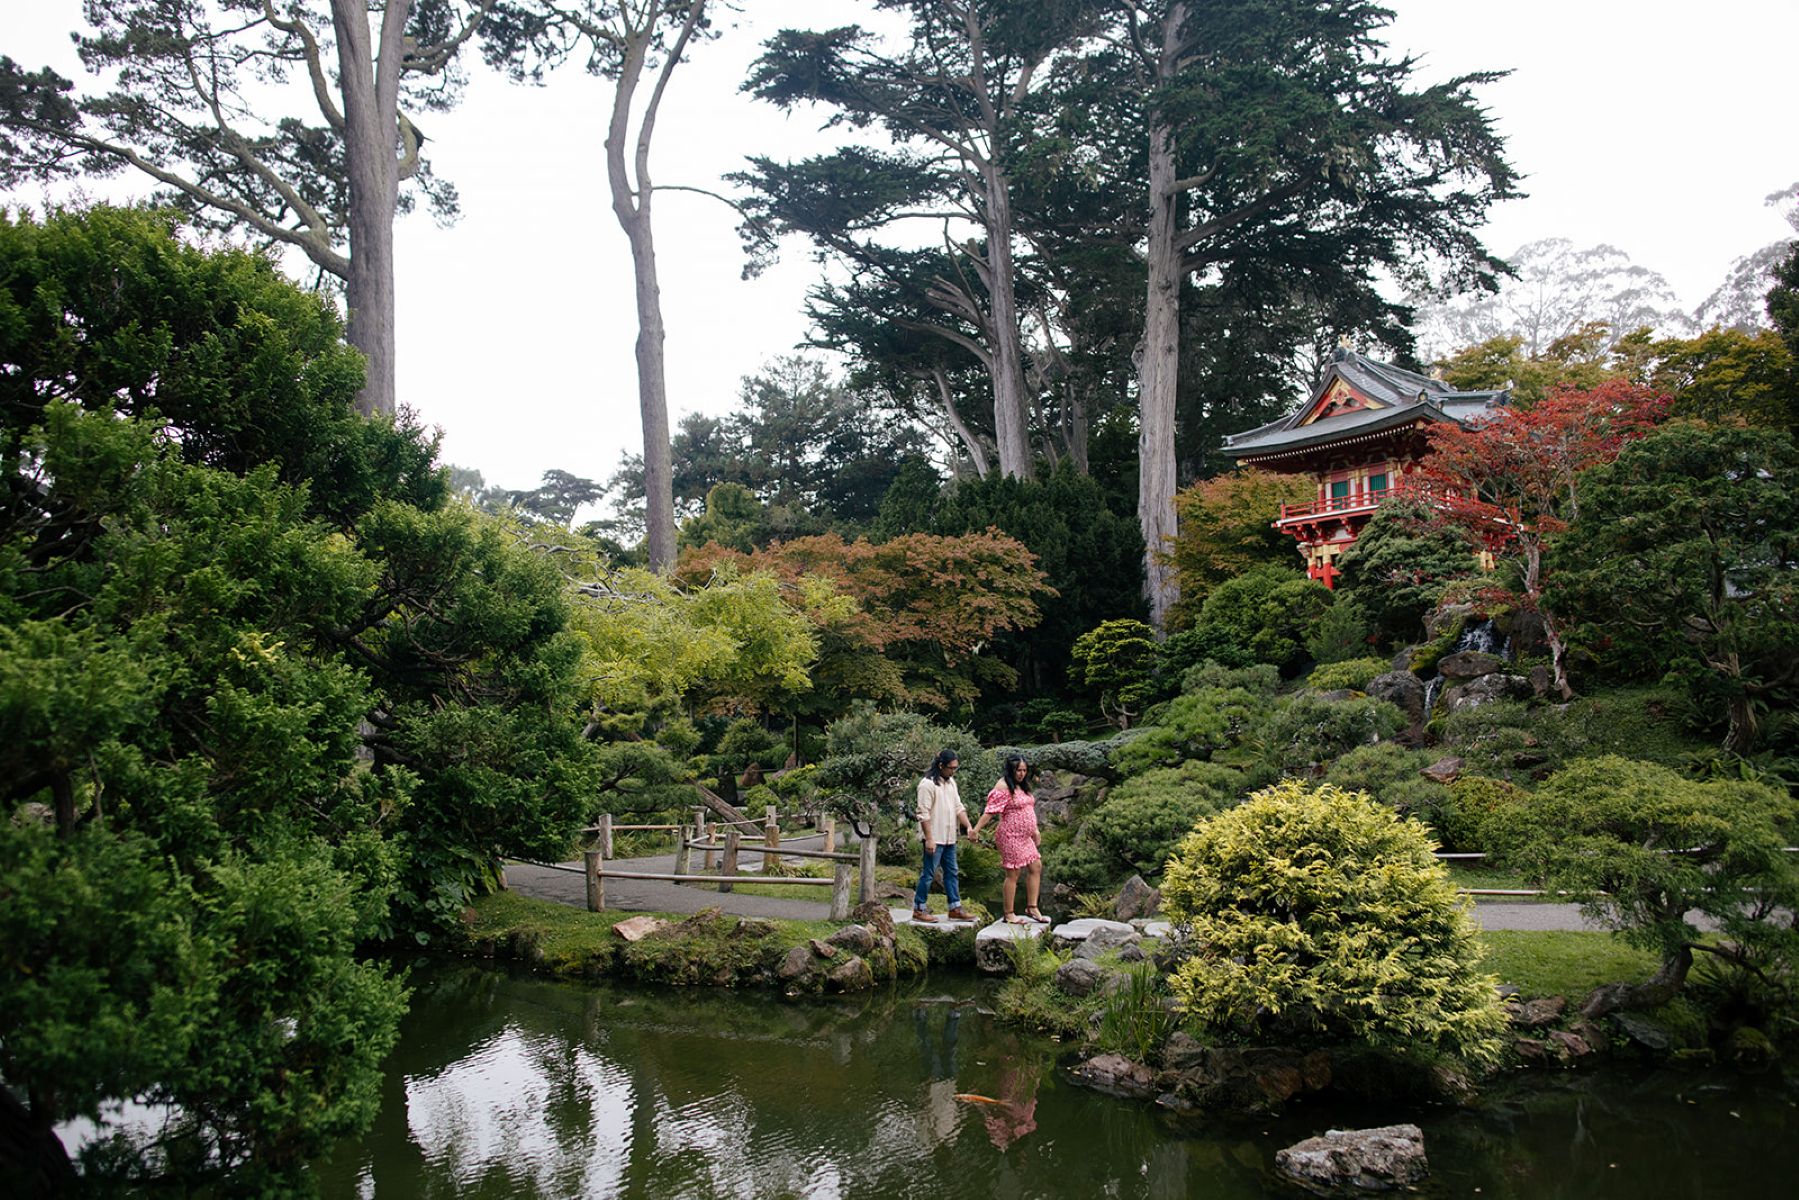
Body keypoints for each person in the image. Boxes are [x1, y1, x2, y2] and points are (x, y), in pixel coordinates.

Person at [971, 754, 1045, 924]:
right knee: (1013, 873)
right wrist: (976, 829)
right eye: (1018, 770)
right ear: (1011, 769)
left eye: (1024, 770)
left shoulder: (1023, 786)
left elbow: (1028, 809)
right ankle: (1009, 913)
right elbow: (990, 811)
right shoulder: (1003, 785)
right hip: (1009, 835)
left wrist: (1035, 830)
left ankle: (1032, 907)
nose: (1021, 773)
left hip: (1025, 836)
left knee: (1036, 866)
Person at [913, 749, 974, 923]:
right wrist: (929, 838)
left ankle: (954, 907)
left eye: (955, 768)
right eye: (951, 768)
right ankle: (919, 908)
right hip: (935, 837)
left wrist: (968, 826)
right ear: (941, 765)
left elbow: (958, 807)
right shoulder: (927, 784)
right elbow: (923, 813)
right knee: (929, 874)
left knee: (952, 872)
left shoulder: (951, 782)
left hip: (949, 837)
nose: (953, 771)